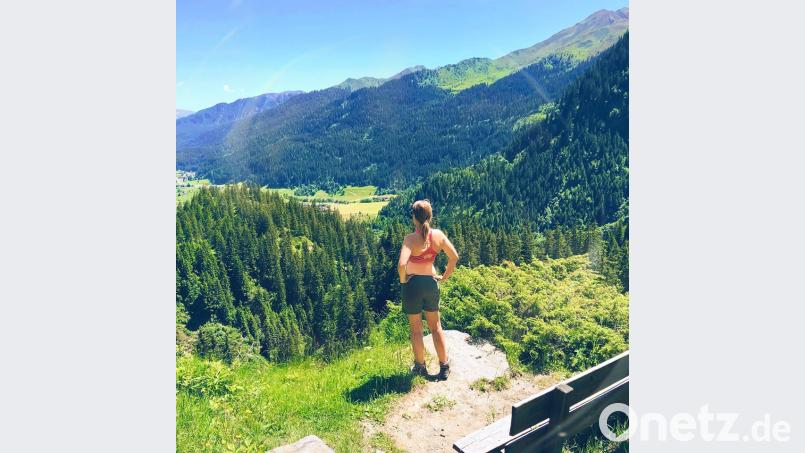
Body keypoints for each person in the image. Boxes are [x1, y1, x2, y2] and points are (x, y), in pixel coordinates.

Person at [398, 200, 459, 380]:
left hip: (412, 286)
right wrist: (444, 276)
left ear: (414, 217)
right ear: (430, 216)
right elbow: (454, 257)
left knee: (416, 329)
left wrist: (404, 280)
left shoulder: (410, 239)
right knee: (436, 327)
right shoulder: (438, 235)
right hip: (431, 284)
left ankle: (420, 367)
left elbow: (402, 265)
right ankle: (444, 366)